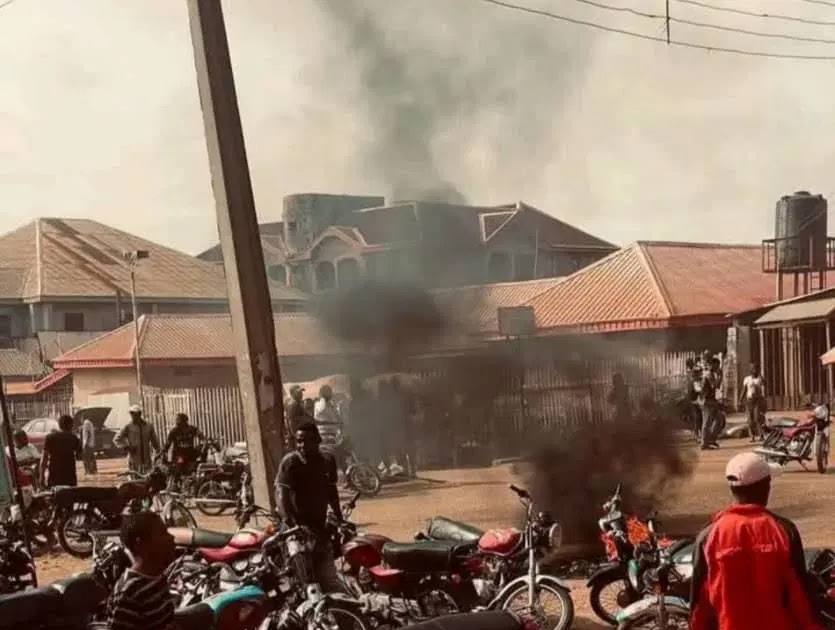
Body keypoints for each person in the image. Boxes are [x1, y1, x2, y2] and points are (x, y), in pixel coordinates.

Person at [690, 452, 823, 630]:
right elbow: (799, 595)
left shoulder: (709, 535)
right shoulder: (784, 530)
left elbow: (699, 605)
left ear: (732, 489)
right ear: (766, 487)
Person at [274, 422, 344, 593]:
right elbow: (282, 494)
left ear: (317, 440)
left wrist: (339, 517)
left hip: (319, 530)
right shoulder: (291, 462)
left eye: (307, 441)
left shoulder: (327, 460)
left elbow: (331, 491)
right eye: (299, 441)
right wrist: (290, 524)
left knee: (329, 580)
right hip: (296, 531)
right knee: (304, 582)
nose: (302, 445)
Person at [106, 512, 176, 630]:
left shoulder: (157, 576)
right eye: (163, 533)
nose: (171, 537)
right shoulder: (129, 592)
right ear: (140, 544)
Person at [113, 405, 161, 475]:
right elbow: (116, 439)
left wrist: (157, 454)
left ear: (139, 414)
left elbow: (155, 443)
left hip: (146, 459)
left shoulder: (148, 426)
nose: (133, 416)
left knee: (147, 478)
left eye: (134, 414)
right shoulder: (128, 427)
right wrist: (127, 447)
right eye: (131, 414)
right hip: (134, 459)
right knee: (134, 478)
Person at [39, 414, 81, 488]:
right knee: (70, 494)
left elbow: (44, 459)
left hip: (54, 477)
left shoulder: (50, 438)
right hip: (70, 478)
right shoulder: (74, 438)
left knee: (55, 494)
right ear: (70, 425)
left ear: (59, 425)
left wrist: (42, 477)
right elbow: (79, 456)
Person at [162, 413, 204, 478]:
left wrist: (205, 441)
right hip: (179, 455)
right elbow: (168, 443)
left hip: (190, 454)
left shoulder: (192, 429)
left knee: (199, 464)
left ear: (185, 421)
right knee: (179, 466)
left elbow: (201, 436)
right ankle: (177, 481)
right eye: (177, 420)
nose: (177, 422)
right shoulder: (174, 431)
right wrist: (163, 452)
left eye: (179, 420)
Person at [740, 363, 766, 442]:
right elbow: (744, 390)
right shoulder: (747, 379)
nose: (754, 370)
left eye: (756, 368)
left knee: (757, 418)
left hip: (757, 401)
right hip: (749, 401)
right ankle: (752, 436)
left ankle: (761, 435)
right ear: (750, 370)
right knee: (750, 420)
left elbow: (765, 384)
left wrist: (761, 377)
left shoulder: (759, 379)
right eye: (752, 368)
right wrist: (740, 400)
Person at [698, 361, 720, 450]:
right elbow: (714, 386)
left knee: (719, 419)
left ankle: (710, 439)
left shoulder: (710, 374)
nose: (718, 367)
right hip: (707, 401)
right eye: (717, 365)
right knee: (707, 422)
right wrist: (720, 376)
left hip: (710, 400)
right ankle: (704, 443)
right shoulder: (709, 375)